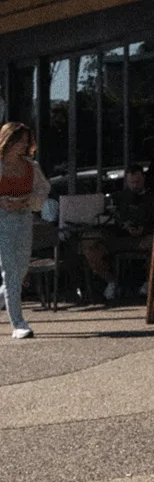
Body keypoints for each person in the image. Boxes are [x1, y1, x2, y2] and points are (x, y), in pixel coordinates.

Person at [0, 122, 50, 341]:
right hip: (1, 221)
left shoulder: (31, 166)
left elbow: (43, 189)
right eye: (18, 140)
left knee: (20, 269)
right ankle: (18, 323)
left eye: (26, 141)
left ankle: (4, 297)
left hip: (23, 219)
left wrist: (27, 201)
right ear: (7, 140)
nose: (23, 145)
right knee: (10, 271)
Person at [79, 163, 154, 302]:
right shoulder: (120, 198)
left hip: (142, 238)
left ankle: (149, 282)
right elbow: (111, 217)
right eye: (131, 182)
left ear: (143, 179)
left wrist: (143, 229)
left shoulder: (153, 198)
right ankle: (111, 282)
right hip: (119, 238)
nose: (135, 185)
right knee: (90, 248)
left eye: (137, 182)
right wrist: (120, 224)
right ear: (126, 182)